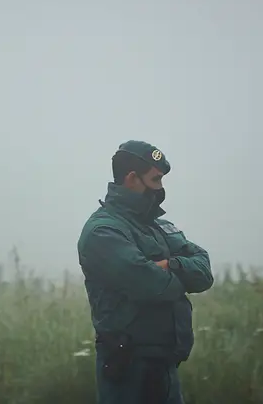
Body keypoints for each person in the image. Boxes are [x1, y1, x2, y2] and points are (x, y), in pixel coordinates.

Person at [77, 140, 214, 404]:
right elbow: (152, 285)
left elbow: (204, 270)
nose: (160, 188)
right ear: (132, 179)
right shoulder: (103, 232)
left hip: (164, 366)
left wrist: (172, 265)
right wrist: (173, 275)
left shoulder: (157, 226)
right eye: (155, 179)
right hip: (129, 369)